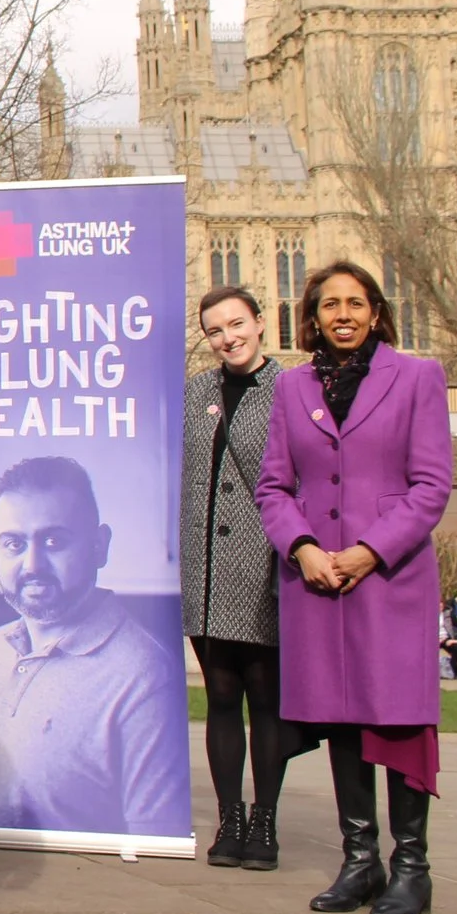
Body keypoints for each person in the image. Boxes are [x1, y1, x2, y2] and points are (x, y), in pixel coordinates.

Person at [257, 261, 453, 914]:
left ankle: (412, 867)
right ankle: (360, 858)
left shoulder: (418, 377)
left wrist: (370, 551)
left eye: (355, 303)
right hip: (319, 580)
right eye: (330, 304)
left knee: (395, 716)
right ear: (313, 316)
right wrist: (304, 547)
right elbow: (274, 486)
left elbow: (431, 485)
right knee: (342, 718)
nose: (343, 313)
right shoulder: (293, 387)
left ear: (375, 311)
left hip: (388, 580)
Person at [0, 456, 191, 836]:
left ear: (99, 545)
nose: (32, 564)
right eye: (13, 543)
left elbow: (154, 837)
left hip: (75, 883)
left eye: (53, 540)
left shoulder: (145, 676)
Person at [178, 286, 287, 868]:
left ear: (260, 323)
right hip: (204, 563)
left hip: (261, 559)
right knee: (220, 694)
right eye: (216, 330)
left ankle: (265, 823)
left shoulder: (291, 389)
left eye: (236, 324)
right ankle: (230, 819)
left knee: (263, 697)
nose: (228, 337)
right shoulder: (197, 392)